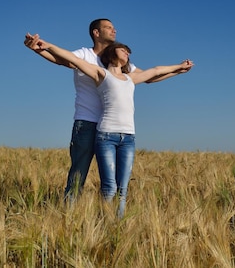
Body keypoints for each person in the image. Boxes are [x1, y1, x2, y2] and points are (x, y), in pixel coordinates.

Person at [24, 19, 188, 200]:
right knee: (78, 176)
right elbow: (64, 59)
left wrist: (177, 71)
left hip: (112, 128)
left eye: (114, 27)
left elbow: (149, 76)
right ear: (96, 32)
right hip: (86, 122)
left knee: (111, 184)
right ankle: (69, 216)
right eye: (108, 27)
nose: (114, 30)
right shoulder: (85, 54)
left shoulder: (121, 63)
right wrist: (40, 48)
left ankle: (108, 219)